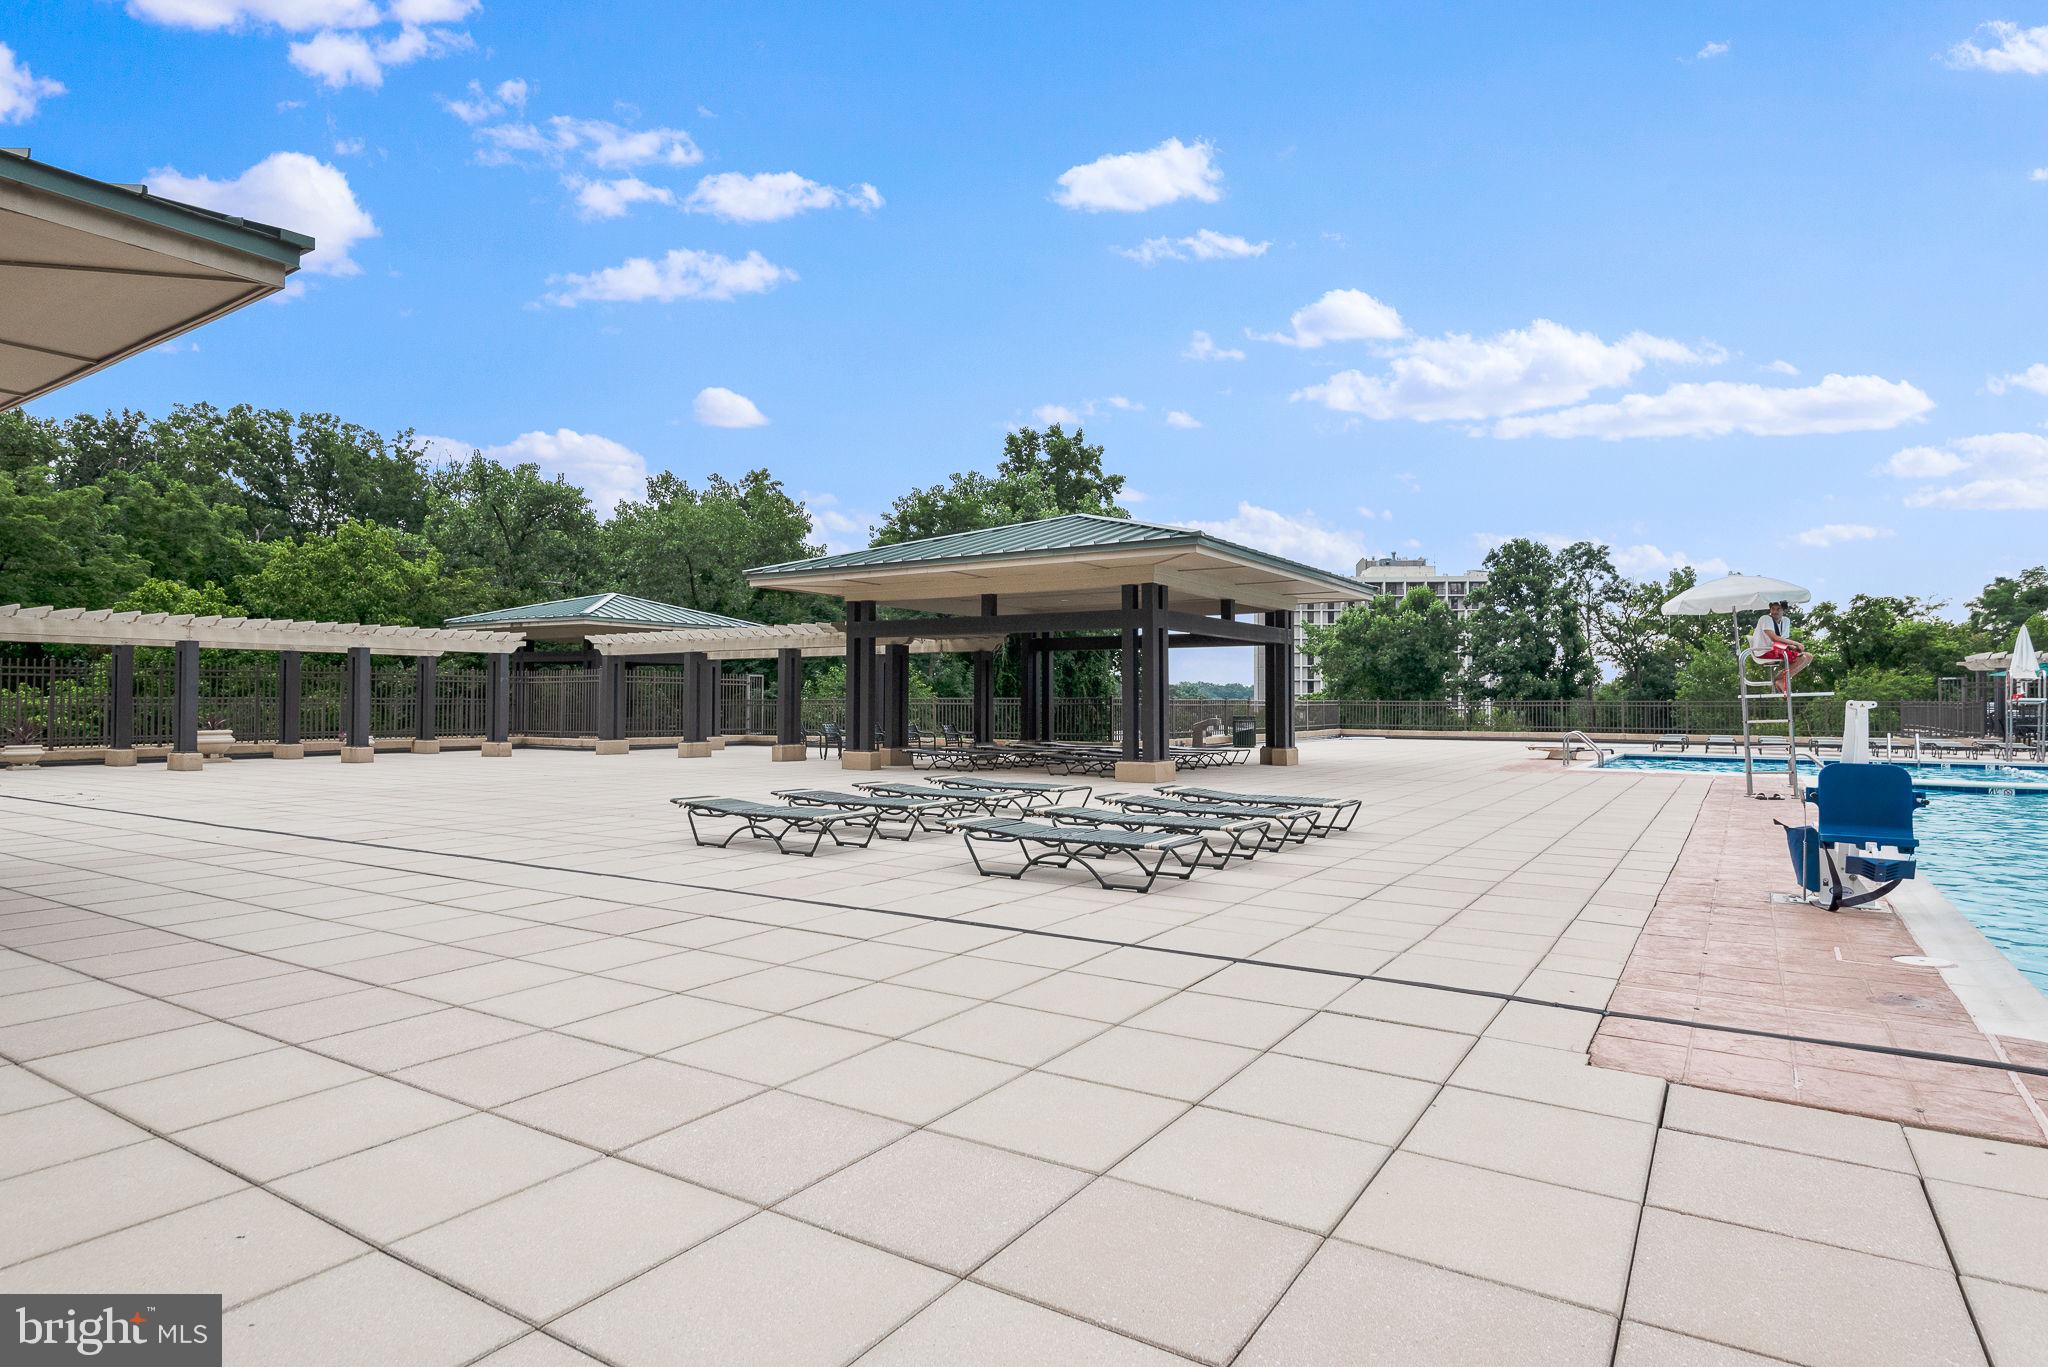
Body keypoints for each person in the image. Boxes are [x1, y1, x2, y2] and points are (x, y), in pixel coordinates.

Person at [1750, 600, 1810, 697]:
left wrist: (1793, 647)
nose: (1775, 611)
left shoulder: (1786, 621)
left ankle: (1782, 679)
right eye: (1773, 609)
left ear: (1783, 610)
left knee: (1809, 657)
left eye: (1778, 609)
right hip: (1764, 650)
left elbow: (1783, 640)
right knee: (1801, 658)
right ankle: (1780, 680)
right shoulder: (1765, 618)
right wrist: (1796, 643)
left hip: (1777, 648)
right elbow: (1774, 638)